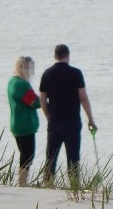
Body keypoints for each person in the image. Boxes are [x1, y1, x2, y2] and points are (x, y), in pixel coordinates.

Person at [39, 44, 97, 184]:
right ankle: (74, 186)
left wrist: (48, 116)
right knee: (73, 158)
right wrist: (91, 119)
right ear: (68, 55)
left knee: (51, 157)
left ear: (55, 56)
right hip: (72, 122)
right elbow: (83, 97)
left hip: (54, 121)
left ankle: (48, 185)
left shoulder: (47, 73)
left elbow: (42, 99)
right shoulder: (76, 73)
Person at [7, 56, 41, 187]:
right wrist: (42, 98)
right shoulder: (21, 84)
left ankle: (22, 181)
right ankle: (22, 182)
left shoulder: (12, 81)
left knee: (25, 153)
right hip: (24, 124)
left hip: (17, 123)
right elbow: (34, 102)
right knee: (28, 155)